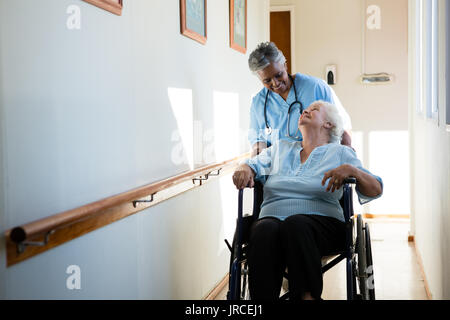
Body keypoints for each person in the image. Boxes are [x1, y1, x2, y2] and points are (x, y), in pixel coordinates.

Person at [232, 100, 383, 300]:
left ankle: (307, 297)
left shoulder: (340, 153)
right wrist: (245, 168)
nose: (305, 111)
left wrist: (352, 170)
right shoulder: (280, 149)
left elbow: (375, 189)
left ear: (329, 124)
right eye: (306, 109)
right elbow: (252, 165)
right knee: (263, 229)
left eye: (314, 110)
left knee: (296, 224)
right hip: (272, 220)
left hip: (322, 225)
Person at [247, 42, 352, 156]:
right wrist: (255, 159)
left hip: (318, 162)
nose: (275, 83)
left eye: (279, 75)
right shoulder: (258, 103)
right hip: (280, 169)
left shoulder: (315, 87)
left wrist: (346, 156)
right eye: (267, 81)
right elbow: (257, 140)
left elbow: (342, 128)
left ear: (285, 65)